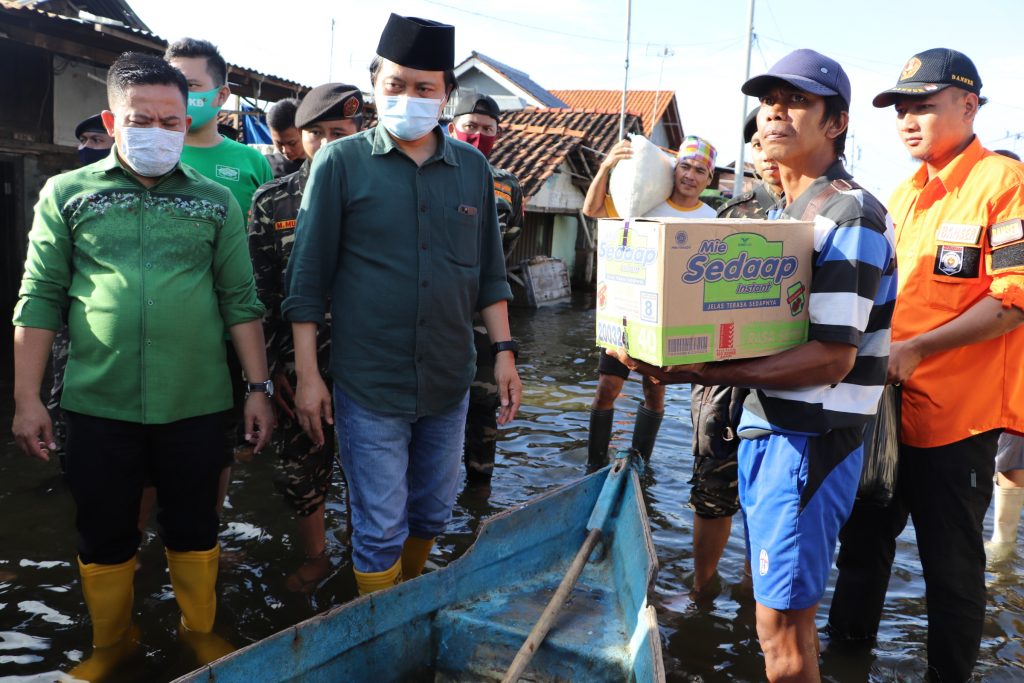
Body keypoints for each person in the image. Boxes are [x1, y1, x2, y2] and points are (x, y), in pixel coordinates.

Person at [612, 49, 896, 682]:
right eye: (768, 100)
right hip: (771, 429)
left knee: (783, 631)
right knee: (776, 621)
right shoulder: (784, 218)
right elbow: (751, 330)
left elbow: (832, 355)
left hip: (810, 441)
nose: (774, 111)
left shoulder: (848, 217)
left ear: (836, 123)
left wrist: (702, 374)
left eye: (796, 100)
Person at [10, 52, 274, 679]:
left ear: (190, 123)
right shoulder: (67, 193)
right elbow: (40, 296)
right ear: (111, 118)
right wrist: (26, 398)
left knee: (195, 525)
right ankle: (111, 643)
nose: (158, 132)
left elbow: (240, 301)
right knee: (103, 532)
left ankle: (199, 631)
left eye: (172, 122)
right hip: (97, 400)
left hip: (199, 398)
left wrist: (258, 388)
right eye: (142, 120)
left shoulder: (215, 202)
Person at [283, 14, 521, 596]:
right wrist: (310, 376)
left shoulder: (473, 169)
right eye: (395, 85)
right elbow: (307, 279)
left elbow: (490, 273)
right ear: (374, 87)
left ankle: (405, 602)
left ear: (445, 93)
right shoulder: (339, 163)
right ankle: (381, 633)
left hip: (448, 378)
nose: (409, 97)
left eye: (424, 87)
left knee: (434, 512)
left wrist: (506, 354)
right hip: (369, 382)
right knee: (379, 528)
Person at [827, 48, 1024, 682]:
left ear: (968, 106)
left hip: (956, 421)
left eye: (924, 107)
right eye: (901, 109)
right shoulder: (902, 194)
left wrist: (917, 349)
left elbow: (1015, 299)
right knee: (860, 552)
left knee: (952, 568)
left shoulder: (1003, 183)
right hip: (884, 410)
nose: (908, 120)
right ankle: (845, 663)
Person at [247, 83, 364, 591]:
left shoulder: (383, 195)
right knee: (301, 469)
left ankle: (366, 553)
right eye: (316, 134)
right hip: (299, 367)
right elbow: (259, 296)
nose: (327, 143)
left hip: (371, 363)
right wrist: (273, 373)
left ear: (361, 133)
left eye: (340, 132)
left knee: (375, 468)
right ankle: (317, 556)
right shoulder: (272, 200)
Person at [688, 109, 784, 595]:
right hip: (723, 377)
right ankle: (701, 588)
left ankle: (755, 592)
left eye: (770, 141)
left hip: (786, 375)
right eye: (755, 144)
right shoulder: (733, 214)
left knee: (772, 496)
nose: (764, 153)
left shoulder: (817, 214)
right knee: (712, 486)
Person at [582, 135, 717, 469]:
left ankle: (641, 464)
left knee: (655, 394)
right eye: (685, 166)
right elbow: (592, 209)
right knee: (606, 389)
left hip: (670, 323)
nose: (690, 175)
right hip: (627, 314)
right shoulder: (644, 203)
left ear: (709, 179)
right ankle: (594, 464)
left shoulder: (713, 217)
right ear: (674, 169)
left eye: (700, 170)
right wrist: (606, 166)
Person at [447, 92, 525, 485]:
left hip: (484, 322)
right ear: (452, 127)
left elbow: (505, 249)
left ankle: (477, 500)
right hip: (436, 314)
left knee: (483, 410)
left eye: (488, 129)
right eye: (471, 127)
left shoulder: (507, 186)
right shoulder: (430, 174)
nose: (479, 135)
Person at [46, 115, 118, 460]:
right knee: (64, 395)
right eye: (83, 141)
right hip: (72, 319)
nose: (85, 148)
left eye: (95, 141)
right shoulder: (65, 192)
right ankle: (68, 460)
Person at [164, 38, 273, 218]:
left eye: (190, 85)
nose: (178, 93)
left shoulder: (253, 162)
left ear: (221, 95)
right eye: (171, 84)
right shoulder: (148, 153)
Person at [265, 97, 307, 178]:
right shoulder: (265, 166)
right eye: (279, 143)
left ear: (305, 131)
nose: (285, 150)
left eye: (292, 143)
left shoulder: (321, 166)